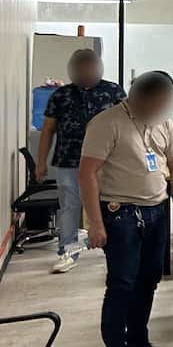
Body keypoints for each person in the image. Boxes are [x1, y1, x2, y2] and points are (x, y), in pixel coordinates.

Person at [80, 71, 173, 347]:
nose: (164, 108)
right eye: (159, 102)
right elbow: (87, 174)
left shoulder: (162, 123)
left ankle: (139, 345)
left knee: (148, 281)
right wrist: (95, 224)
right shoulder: (107, 123)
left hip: (157, 210)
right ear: (141, 96)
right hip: (121, 214)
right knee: (121, 287)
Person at [36, 49, 126, 274]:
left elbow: (127, 125)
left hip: (106, 162)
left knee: (112, 207)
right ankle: (68, 252)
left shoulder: (113, 91)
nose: (86, 71)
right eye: (82, 67)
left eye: (90, 66)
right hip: (69, 160)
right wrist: (40, 163)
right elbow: (47, 130)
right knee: (70, 208)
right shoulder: (60, 95)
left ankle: (114, 249)